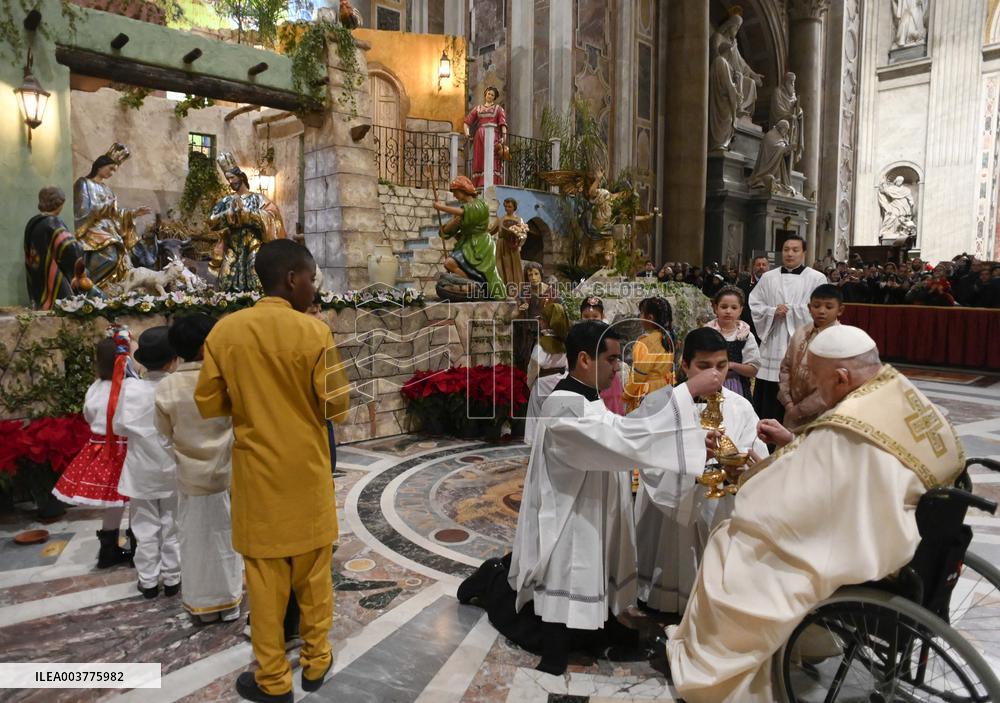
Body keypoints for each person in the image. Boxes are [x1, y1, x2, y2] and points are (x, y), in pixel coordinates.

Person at [667, 325, 964, 702]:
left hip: (872, 553)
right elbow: (841, 471)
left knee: (730, 543)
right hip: (924, 542)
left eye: (818, 382)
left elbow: (789, 498)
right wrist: (795, 444)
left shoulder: (849, 426)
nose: (814, 392)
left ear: (842, 377)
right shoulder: (902, 391)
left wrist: (755, 477)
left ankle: (717, 669)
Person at [504, 321, 722, 674]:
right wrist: (686, 390)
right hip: (571, 514)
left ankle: (596, 631)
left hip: (594, 507)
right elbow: (620, 439)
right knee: (568, 570)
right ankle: (556, 647)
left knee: (593, 569)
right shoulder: (563, 405)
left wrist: (694, 439)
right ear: (585, 360)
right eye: (612, 359)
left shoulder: (588, 399)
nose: (618, 367)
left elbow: (622, 433)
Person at [195, 239, 350, 703]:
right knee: (316, 576)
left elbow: (209, 404)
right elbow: (337, 405)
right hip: (306, 475)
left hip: (258, 480)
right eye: (311, 278)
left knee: (263, 587)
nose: (313, 286)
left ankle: (273, 680)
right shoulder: (314, 333)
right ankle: (317, 662)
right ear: (291, 279)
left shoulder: (225, 332)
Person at [631, 328, 767, 614]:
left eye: (721, 366)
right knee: (667, 579)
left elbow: (752, 447)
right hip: (670, 509)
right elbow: (648, 457)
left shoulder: (740, 405)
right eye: (704, 367)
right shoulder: (660, 403)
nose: (714, 375)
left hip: (719, 505)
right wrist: (692, 461)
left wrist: (741, 465)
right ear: (684, 365)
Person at [155, 314, 242, 622]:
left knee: (193, 540)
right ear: (210, 345)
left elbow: (163, 432)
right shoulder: (225, 380)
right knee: (227, 538)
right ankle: (230, 603)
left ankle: (201, 606)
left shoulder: (167, 387)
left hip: (190, 477)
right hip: (227, 472)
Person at [52, 329, 134, 568]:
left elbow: (88, 415)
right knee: (137, 501)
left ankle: (108, 550)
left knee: (113, 503)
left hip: (100, 448)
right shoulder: (131, 388)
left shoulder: (95, 387)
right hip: (126, 449)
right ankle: (139, 547)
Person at [114, 326, 180, 599]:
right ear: (173, 360)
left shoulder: (130, 388)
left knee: (144, 528)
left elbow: (119, 427)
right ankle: (174, 578)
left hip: (140, 470)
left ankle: (149, 581)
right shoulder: (176, 387)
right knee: (173, 526)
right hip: (171, 469)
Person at [749, 235, 825, 422]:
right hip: (773, 339)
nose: (790, 253)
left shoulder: (816, 278)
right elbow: (755, 304)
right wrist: (773, 311)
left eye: (795, 250)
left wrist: (790, 311)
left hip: (800, 342)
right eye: (786, 249)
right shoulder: (768, 277)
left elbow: (820, 309)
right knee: (768, 396)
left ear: (804, 253)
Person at [74, 144, 151, 290]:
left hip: (109, 229)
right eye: (110, 169)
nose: (111, 173)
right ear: (100, 165)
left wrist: (132, 213)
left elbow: (115, 214)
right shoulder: (83, 183)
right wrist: (105, 206)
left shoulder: (107, 189)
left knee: (124, 259)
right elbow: (82, 210)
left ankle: (111, 289)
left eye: (114, 171)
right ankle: (86, 286)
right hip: (91, 228)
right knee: (111, 256)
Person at [209, 153, 287, 293]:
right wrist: (229, 214)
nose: (230, 182)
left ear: (241, 176)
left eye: (232, 177)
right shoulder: (226, 202)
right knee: (226, 281)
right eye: (228, 179)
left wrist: (247, 214)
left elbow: (272, 216)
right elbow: (212, 221)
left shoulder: (258, 199)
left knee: (256, 280)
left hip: (254, 246)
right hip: (233, 247)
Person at [778, 284, 844, 430]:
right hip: (792, 409)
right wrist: (788, 403)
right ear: (809, 307)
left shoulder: (841, 339)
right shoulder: (801, 332)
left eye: (828, 307)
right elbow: (786, 367)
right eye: (816, 305)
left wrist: (801, 409)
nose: (821, 311)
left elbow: (834, 384)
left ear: (840, 310)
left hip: (822, 413)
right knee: (789, 448)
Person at [433, 175, 506, 300]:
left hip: (481, 244)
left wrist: (442, 207)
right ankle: (474, 285)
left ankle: (490, 290)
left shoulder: (480, 204)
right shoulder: (462, 211)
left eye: (456, 192)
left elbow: (466, 212)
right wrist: (447, 228)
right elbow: (447, 231)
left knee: (487, 273)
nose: (455, 195)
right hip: (466, 244)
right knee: (449, 263)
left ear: (463, 190)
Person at [24, 186, 84, 310]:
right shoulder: (53, 222)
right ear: (59, 203)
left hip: (38, 273)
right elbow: (69, 248)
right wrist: (81, 247)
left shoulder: (33, 223)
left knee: (43, 299)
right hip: (55, 276)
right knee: (64, 305)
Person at [705, 286, 759, 400]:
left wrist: (732, 365)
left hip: (737, 388)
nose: (728, 311)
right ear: (715, 308)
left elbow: (753, 370)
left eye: (734, 308)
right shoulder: (706, 333)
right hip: (708, 385)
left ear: (740, 310)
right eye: (724, 307)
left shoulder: (745, 335)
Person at [624, 297, 676, 413]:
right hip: (665, 389)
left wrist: (626, 394)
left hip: (648, 392)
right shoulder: (668, 338)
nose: (640, 317)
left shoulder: (645, 342)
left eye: (641, 313)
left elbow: (638, 377)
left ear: (650, 318)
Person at [579, 296, 626, 415]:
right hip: (585, 379)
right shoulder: (577, 335)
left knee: (610, 411)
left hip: (607, 380)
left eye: (595, 316)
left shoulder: (608, 335)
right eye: (586, 317)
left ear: (602, 316)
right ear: (580, 317)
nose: (590, 320)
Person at [463, 86, 507, 187]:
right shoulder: (478, 109)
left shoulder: (498, 109)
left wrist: (504, 138)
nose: (490, 96)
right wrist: (467, 134)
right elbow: (467, 121)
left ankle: (492, 181)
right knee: (479, 158)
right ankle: (478, 183)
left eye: (492, 95)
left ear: (495, 97)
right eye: (489, 94)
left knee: (493, 158)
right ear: (485, 94)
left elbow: (503, 124)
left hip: (493, 136)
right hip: (479, 137)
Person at [491, 197, 526, 291]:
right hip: (502, 246)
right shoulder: (500, 219)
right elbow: (491, 231)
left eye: (509, 206)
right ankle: (502, 289)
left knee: (513, 267)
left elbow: (523, 234)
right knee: (501, 266)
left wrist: (519, 240)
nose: (507, 208)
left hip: (513, 246)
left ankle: (515, 290)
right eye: (506, 206)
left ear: (514, 207)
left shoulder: (519, 220)